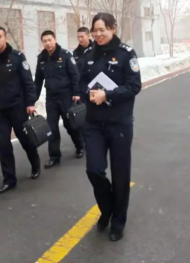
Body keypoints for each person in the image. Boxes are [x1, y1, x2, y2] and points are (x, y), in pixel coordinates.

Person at [79, 13, 142, 242]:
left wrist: (108, 94)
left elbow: (134, 86)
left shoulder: (126, 54)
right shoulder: (88, 54)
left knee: (120, 174)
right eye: (95, 30)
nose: (98, 34)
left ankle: (118, 221)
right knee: (94, 170)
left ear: (113, 29)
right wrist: (88, 93)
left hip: (119, 124)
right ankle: (106, 208)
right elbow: (80, 82)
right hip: (94, 123)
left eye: (102, 30)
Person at [0, 26, 41, 195]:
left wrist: (30, 102)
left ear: (6, 38)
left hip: (18, 107)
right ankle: (9, 180)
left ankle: (35, 163)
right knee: (3, 145)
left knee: (25, 140)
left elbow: (28, 81)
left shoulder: (17, 57)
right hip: (2, 110)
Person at [35, 30, 84, 169]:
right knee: (52, 127)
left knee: (70, 125)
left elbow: (75, 75)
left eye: (49, 40)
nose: (48, 43)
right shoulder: (42, 58)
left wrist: (76, 93)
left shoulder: (65, 55)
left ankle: (80, 145)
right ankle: (54, 156)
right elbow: (38, 80)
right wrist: (33, 99)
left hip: (66, 96)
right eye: (45, 41)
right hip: (51, 97)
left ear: (55, 40)